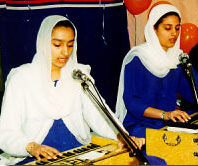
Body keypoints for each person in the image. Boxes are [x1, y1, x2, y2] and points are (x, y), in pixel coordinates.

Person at [0, 15, 145, 165]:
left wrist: (122, 137)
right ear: (43, 43)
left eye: (70, 45)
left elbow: (100, 114)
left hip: (76, 151)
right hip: (32, 157)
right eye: (57, 45)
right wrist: (32, 147)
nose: (65, 52)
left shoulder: (78, 75)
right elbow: (5, 133)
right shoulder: (22, 78)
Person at [115, 4, 197, 140]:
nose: (174, 34)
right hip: (140, 126)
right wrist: (165, 114)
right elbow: (132, 103)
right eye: (167, 28)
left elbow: (192, 92)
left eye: (177, 28)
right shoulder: (137, 58)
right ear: (154, 28)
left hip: (169, 124)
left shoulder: (178, 58)